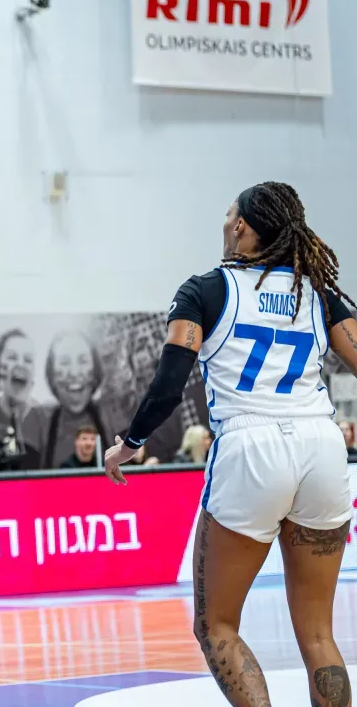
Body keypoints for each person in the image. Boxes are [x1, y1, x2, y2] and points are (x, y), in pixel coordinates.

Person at [104, 182, 357, 707]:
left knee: (216, 624)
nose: (224, 223)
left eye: (227, 215)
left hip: (251, 446)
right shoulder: (320, 292)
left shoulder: (206, 290)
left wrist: (129, 444)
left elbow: (168, 385)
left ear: (241, 226)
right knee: (319, 636)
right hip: (323, 446)